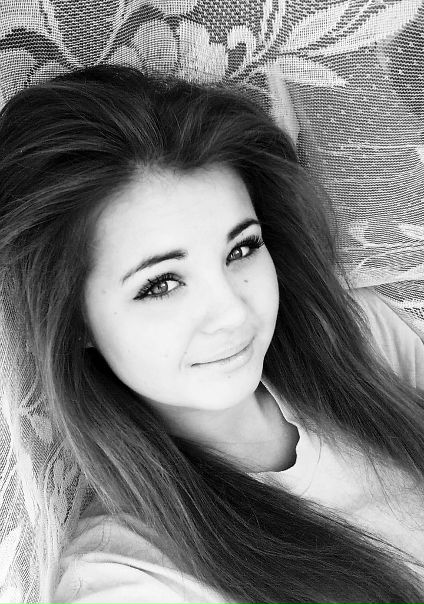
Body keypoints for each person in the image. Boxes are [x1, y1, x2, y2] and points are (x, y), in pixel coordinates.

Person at [0, 64, 423, 604]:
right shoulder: (125, 577)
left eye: (242, 249)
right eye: (161, 284)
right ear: (75, 319)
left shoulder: (365, 342)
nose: (231, 313)